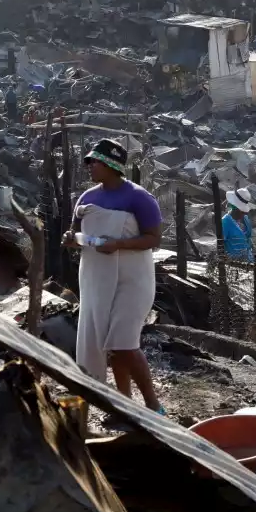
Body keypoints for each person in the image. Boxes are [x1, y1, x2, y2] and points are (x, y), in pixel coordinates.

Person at [64, 139, 165, 415]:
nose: (89, 166)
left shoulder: (139, 198)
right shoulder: (86, 199)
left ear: (111, 165)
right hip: (97, 280)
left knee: (123, 342)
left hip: (133, 281)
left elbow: (154, 239)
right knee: (112, 344)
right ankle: (123, 406)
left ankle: (154, 407)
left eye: (94, 161)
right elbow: (75, 232)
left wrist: (118, 244)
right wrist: (71, 239)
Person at [222, 188, 256, 262]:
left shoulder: (246, 219)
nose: (244, 213)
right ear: (234, 208)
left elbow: (248, 240)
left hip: (249, 261)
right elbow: (221, 246)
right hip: (235, 264)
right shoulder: (225, 222)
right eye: (242, 211)